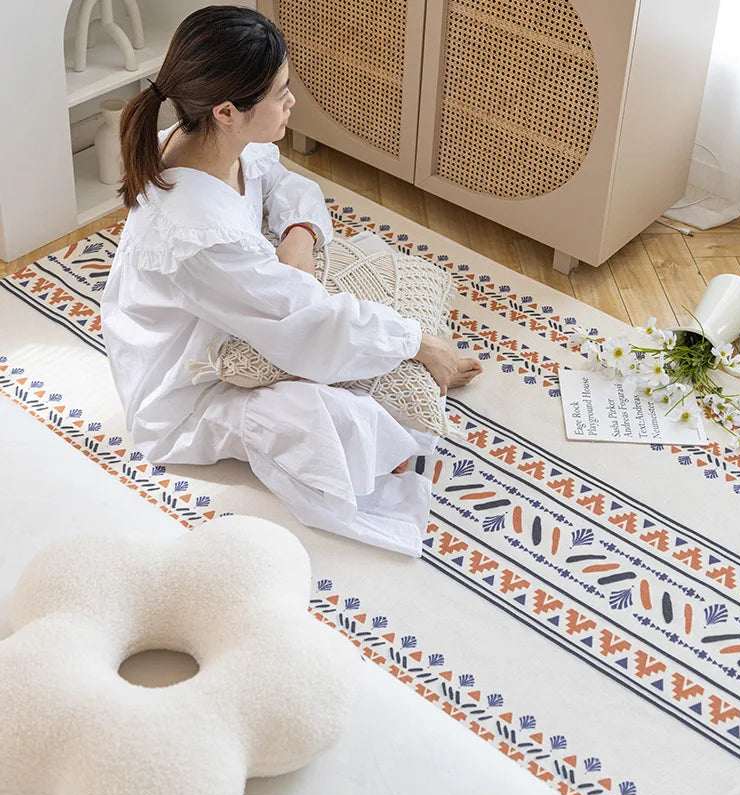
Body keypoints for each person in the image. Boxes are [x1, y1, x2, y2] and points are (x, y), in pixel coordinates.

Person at [101, 6, 482, 557]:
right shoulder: (199, 235)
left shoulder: (209, 137)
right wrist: (418, 344)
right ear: (228, 110)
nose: (292, 100)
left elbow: (283, 182)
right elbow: (309, 321)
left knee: (362, 279)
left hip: (234, 316)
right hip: (184, 386)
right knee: (331, 420)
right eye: (280, 92)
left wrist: (298, 237)